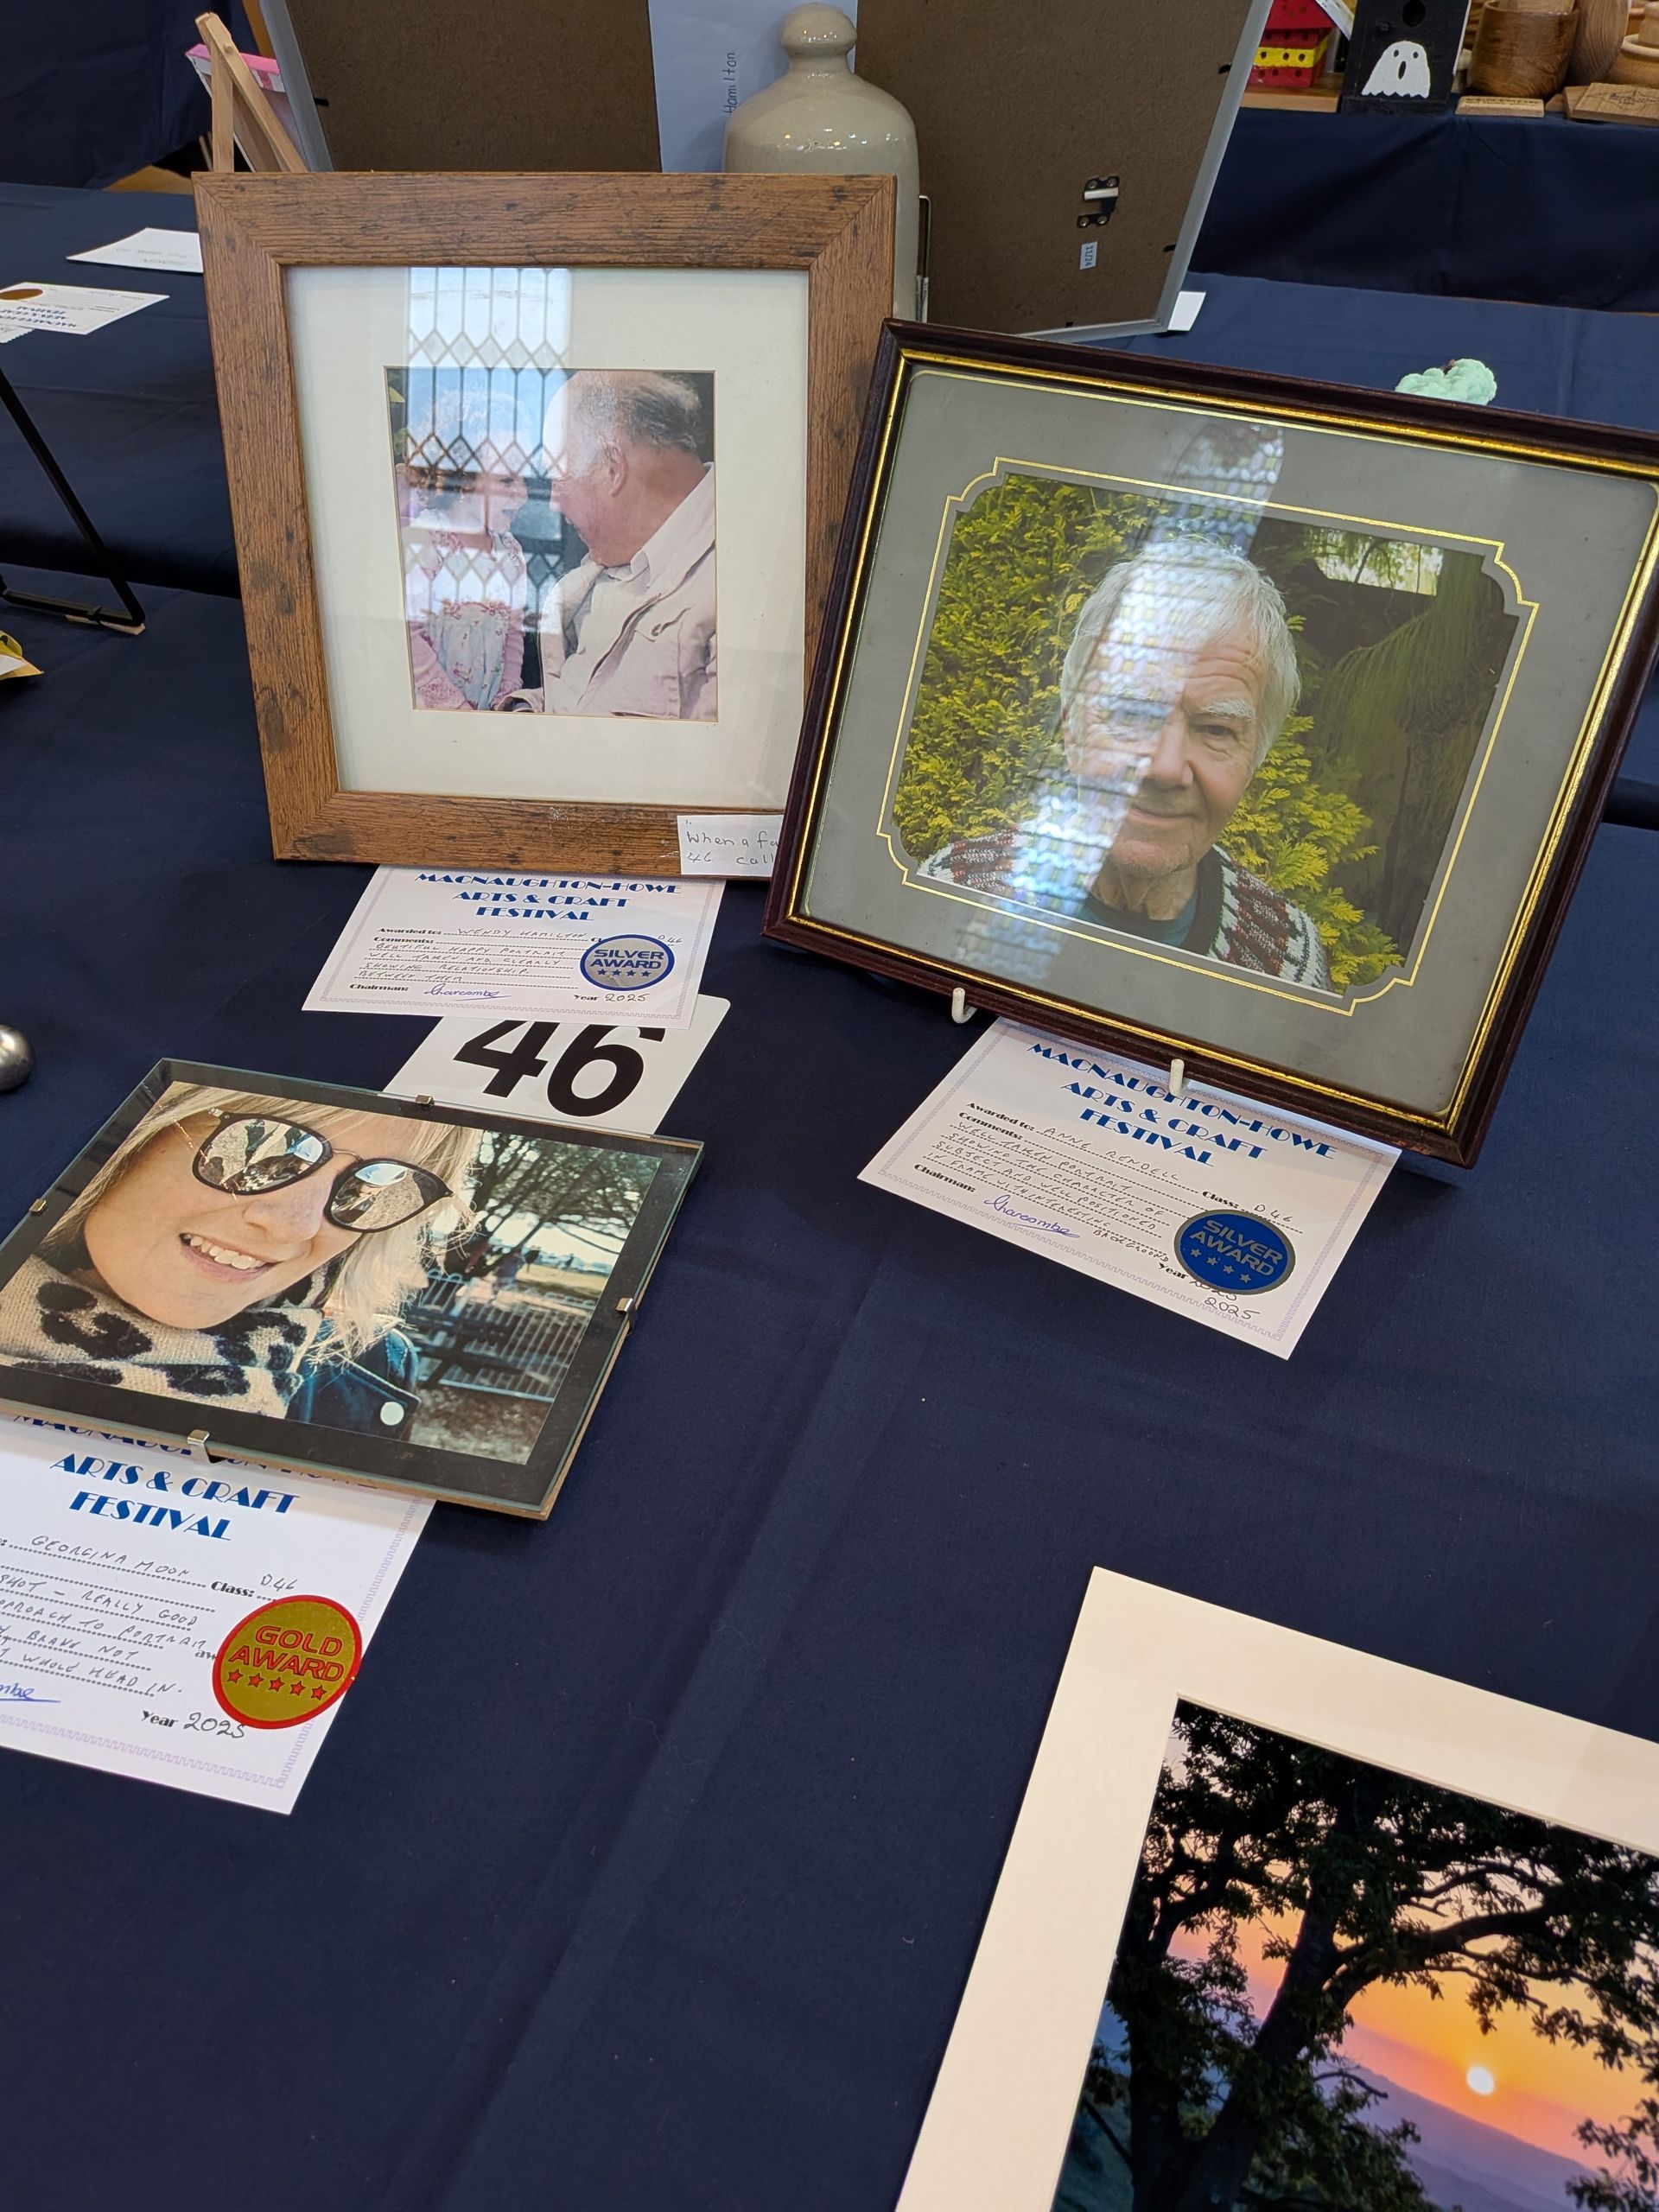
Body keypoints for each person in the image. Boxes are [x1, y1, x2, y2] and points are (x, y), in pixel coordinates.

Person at [920, 542, 1331, 988]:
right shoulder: (952, 894)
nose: (1165, 768)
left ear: (1252, 762)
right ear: (1073, 733)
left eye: (1216, 729)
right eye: (1133, 714)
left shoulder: (1290, 964)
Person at [0, 1085, 483, 1438]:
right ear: (133, 1134)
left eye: (377, 1189)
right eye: (262, 1147)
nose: (296, 1226)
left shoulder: (371, 1376)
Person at [499, 370, 716, 721]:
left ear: (613, 469)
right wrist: (526, 710)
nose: (552, 503)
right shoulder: (621, 552)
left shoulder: (741, 570)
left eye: (558, 479)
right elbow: (587, 696)